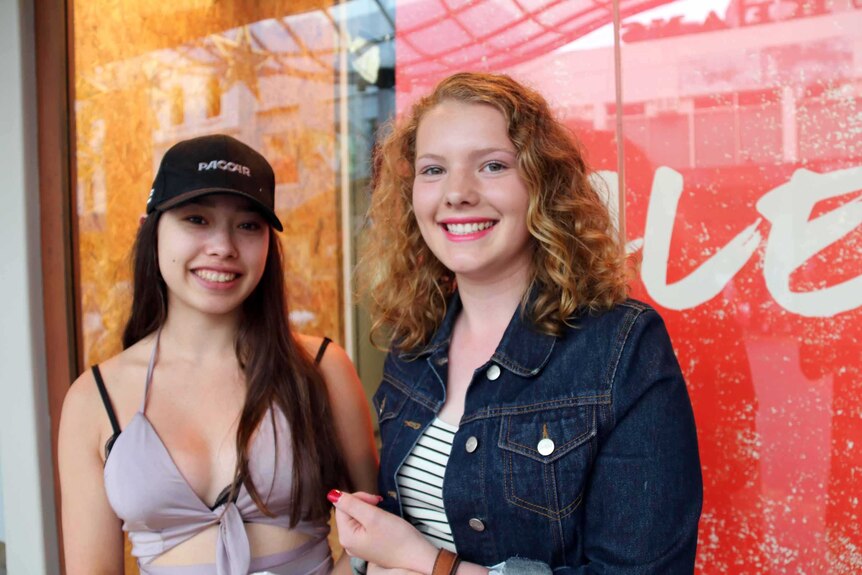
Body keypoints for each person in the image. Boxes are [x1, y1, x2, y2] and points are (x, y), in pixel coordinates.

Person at [328, 72, 703, 574]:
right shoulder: (413, 341)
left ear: (542, 185)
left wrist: (430, 564)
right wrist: (368, 556)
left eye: (492, 165)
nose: (457, 193)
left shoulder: (621, 348)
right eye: (433, 169)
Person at [59, 134, 378, 575]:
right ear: (149, 231)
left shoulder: (322, 369)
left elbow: (382, 532)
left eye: (248, 226)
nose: (223, 246)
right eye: (196, 219)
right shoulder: (94, 398)